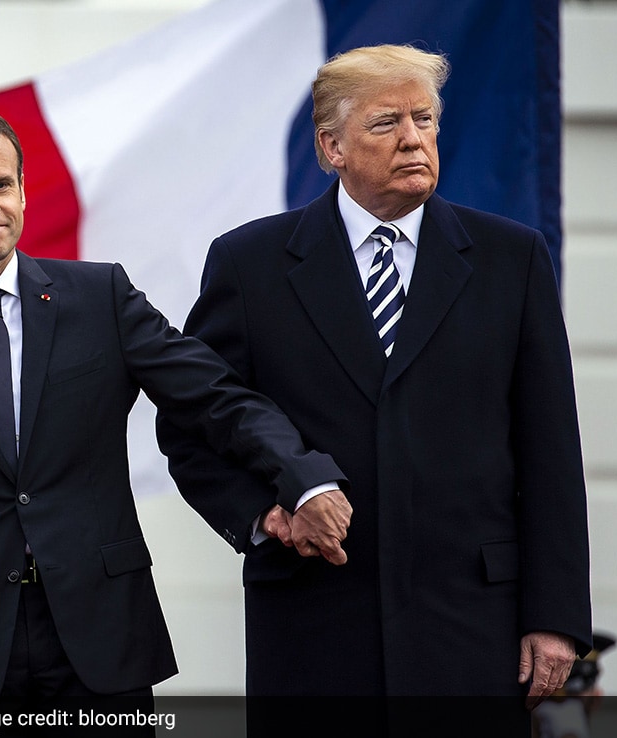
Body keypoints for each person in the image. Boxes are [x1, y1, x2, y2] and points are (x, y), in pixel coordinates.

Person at [0, 104, 349, 737]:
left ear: (22, 190)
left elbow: (216, 398)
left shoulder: (101, 299)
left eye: (1, 185)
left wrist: (303, 477)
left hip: (103, 640)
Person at [156, 44, 592, 733]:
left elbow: (550, 454)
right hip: (313, 625)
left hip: (472, 630)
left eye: (425, 119)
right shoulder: (250, 263)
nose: (415, 138)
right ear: (332, 146)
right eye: (387, 123)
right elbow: (191, 425)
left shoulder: (514, 258)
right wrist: (264, 516)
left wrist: (556, 618)